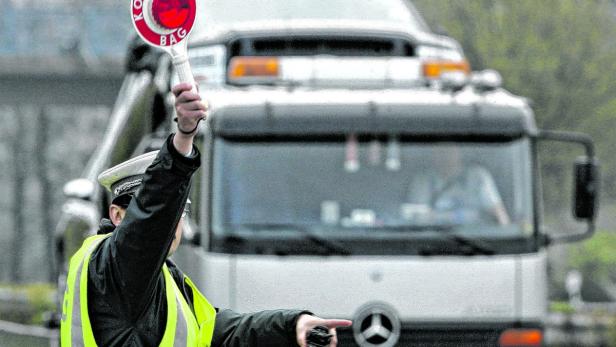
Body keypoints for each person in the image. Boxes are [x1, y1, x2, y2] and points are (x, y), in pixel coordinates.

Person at [60, 82, 351, 346]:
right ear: (117, 215)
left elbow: (218, 329)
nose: (173, 221)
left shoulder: (163, 277)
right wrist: (182, 139)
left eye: (181, 210)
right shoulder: (114, 266)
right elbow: (151, 220)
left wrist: (292, 325)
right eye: (166, 211)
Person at [407, 146, 510, 225]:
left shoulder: (478, 176)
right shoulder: (422, 181)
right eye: (440, 151)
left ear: (459, 152)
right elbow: (418, 218)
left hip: (475, 240)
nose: (445, 156)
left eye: (450, 150)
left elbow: (498, 212)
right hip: (432, 241)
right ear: (433, 155)